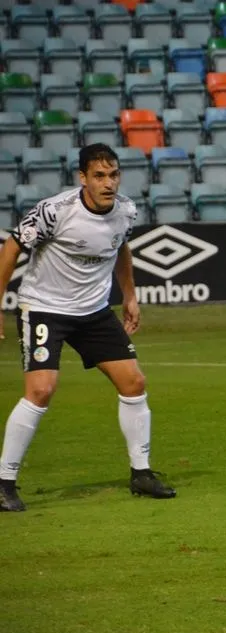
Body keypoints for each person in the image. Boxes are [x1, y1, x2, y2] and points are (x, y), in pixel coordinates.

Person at [0, 143, 176, 512]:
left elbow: (120, 248)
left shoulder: (126, 210)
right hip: (45, 308)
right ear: (83, 178)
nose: (108, 183)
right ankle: (4, 482)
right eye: (99, 176)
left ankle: (141, 473)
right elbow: (12, 247)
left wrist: (129, 295)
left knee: (134, 383)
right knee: (42, 390)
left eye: (113, 174)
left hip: (94, 311)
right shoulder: (55, 211)